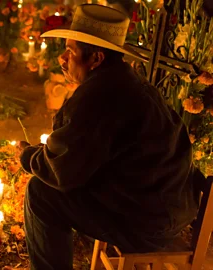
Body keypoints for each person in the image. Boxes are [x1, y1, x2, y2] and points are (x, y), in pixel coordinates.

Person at [19, 4, 201, 270]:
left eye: (71, 51)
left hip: (146, 225)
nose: (62, 59)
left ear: (96, 59)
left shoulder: (101, 96)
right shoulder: (126, 81)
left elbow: (63, 173)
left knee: (40, 193)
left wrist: (27, 156)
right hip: (167, 209)